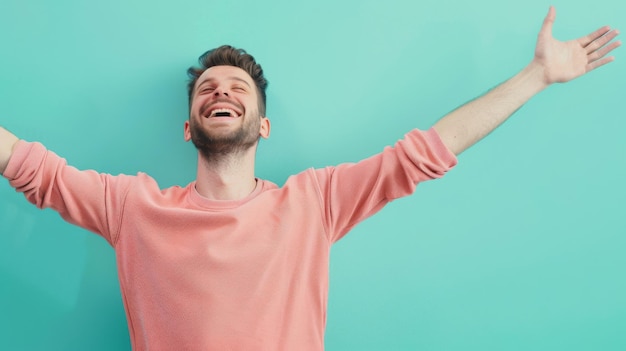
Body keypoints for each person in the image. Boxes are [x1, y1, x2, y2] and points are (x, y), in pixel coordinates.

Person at [0, 6, 620, 351]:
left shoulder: (313, 202)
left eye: (237, 88)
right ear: (189, 128)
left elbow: (426, 152)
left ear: (262, 127)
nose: (221, 92)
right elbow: (33, 168)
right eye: (208, 89)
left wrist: (536, 76)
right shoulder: (132, 207)